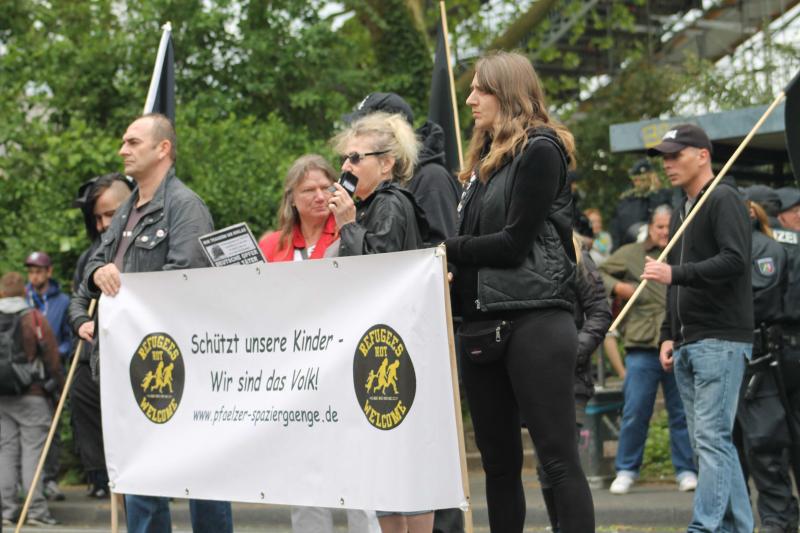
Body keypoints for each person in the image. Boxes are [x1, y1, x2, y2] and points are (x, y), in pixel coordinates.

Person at [443, 51, 594, 532]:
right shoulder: (482, 164)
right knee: (498, 466)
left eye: (479, 90)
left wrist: (445, 250)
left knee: (556, 459)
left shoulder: (541, 150)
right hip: (482, 326)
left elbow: (512, 245)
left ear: (507, 93)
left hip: (536, 321)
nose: (469, 99)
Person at [82, 113, 233, 533]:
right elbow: (95, 260)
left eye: (132, 142)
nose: (122, 150)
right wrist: (99, 273)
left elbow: (184, 282)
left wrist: (123, 285)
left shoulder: (186, 207)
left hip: (180, 367)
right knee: (141, 483)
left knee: (201, 476)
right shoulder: (128, 207)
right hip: (132, 368)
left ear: (162, 149)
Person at [258, 154, 380, 533]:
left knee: (358, 481)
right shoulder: (271, 244)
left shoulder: (351, 234)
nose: (317, 195)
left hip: (343, 372)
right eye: (307, 189)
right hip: (293, 380)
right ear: (290, 197)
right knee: (305, 483)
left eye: (326, 187)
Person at [642, 123, 753, 533]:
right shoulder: (683, 206)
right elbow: (674, 278)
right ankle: (739, 526)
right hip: (690, 341)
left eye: (676, 154)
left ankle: (704, 527)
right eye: (665, 157)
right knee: (712, 443)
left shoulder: (723, 197)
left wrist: (676, 273)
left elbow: (735, 260)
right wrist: (668, 333)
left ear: (702, 155)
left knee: (711, 440)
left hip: (720, 338)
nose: (668, 163)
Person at [330, 112, 430, 532]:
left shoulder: (390, 203)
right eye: (345, 159)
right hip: (376, 347)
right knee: (385, 466)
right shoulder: (368, 207)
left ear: (386, 163)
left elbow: (378, 272)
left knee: (406, 463)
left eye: (356, 158)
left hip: (398, 349)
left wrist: (348, 225)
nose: (346, 167)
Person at [599, 205, 697, 495]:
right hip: (642, 345)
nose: (665, 232)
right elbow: (596, 270)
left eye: (669, 227)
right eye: (660, 227)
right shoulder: (631, 253)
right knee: (635, 410)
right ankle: (627, 469)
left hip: (680, 340)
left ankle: (686, 469)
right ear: (650, 227)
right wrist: (618, 288)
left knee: (681, 412)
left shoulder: (686, 249)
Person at [537, 231, 610, 532]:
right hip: (534, 375)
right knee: (545, 466)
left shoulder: (576, 253)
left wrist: (572, 352)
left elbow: (599, 311)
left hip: (570, 377)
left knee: (562, 462)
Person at [68, 172, 133, 499]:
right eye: (98, 217)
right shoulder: (90, 255)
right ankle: (100, 476)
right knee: (80, 390)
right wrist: (81, 321)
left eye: (110, 214)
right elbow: (78, 299)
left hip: (137, 353)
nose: (103, 224)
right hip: (95, 351)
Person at [735, 190, 797, 533]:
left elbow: (758, 300)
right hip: (751, 350)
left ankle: (778, 517)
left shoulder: (761, 247)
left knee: (763, 440)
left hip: (759, 353)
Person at [343, 92, 461, 246]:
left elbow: (443, 250)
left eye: (367, 127)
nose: (357, 131)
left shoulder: (431, 177)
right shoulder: (382, 186)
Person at [0, 272, 63, 527]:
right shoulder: (34, 318)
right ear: (24, 293)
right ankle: (35, 510)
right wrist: (57, 390)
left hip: (2, 398)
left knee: (6, 452)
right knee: (33, 454)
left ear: (2, 293)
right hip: (33, 395)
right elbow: (52, 357)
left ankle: (7, 510)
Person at [23, 250, 70, 502]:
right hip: (26, 377)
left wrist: (53, 350)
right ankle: (29, 484)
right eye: (30, 271)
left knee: (52, 429)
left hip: (52, 374)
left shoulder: (62, 301)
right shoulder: (22, 299)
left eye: (39, 271)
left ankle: (50, 479)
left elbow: (69, 339)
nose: (34, 276)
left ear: (49, 272)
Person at [608, 158, 672, 252]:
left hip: (657, 249)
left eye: (643, 179)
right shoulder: (626, 200)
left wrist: (655, 191)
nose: (638, 183)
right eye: (636, 180)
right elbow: (616, 229)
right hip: (628, 250)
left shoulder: (662, 195)